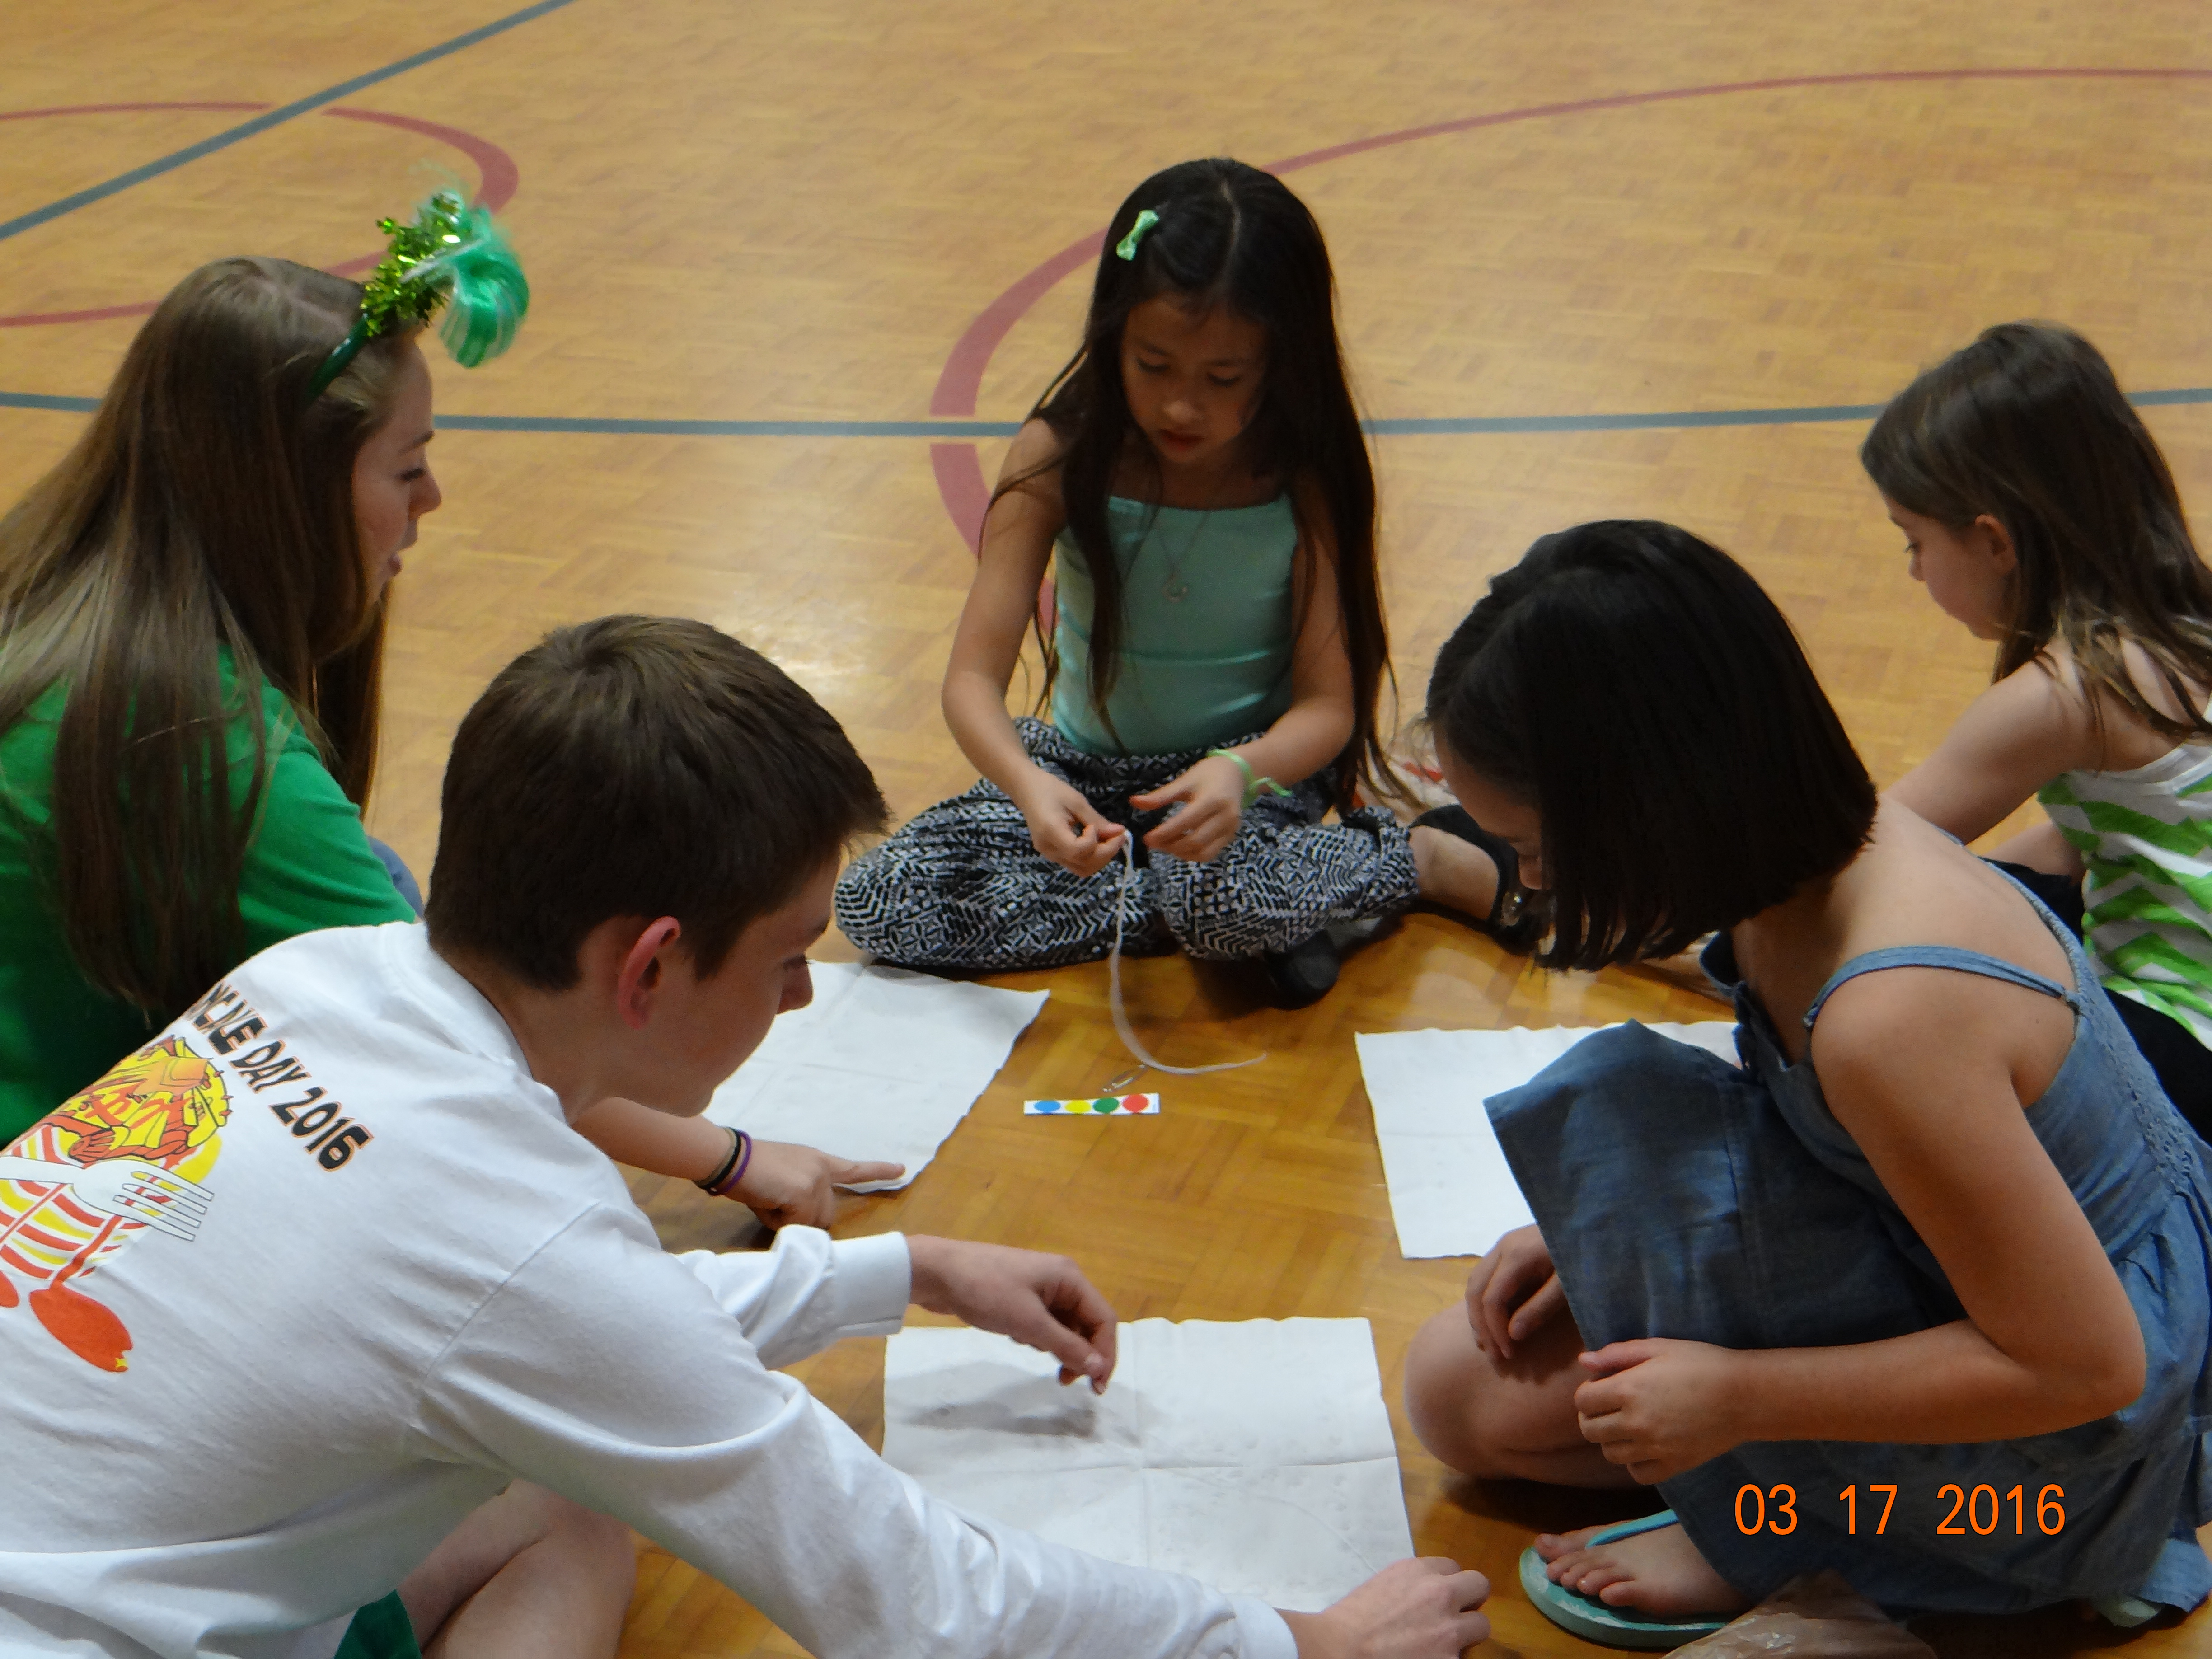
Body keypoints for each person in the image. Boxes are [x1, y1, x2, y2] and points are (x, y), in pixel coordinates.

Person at [0, 614, 1492, 1659]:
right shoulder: (513, 1240)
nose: (797, 996)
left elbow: (544, 1321)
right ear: (649, 966)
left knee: (560, 1503)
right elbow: (918, 1604)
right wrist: (1302, 1641)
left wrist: (901, 1272)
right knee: (573, 1506)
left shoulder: (319, 978)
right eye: (785, 958)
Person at [1399, 522, 2211, 1637]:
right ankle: (1779, 1496)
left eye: (1536, 849)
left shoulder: (1890, 1014)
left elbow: (2089, 1367)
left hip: (2076, 1467)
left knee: (1503, 1380)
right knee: (1460, 1391)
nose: (1533, 884)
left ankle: (1784, 1530)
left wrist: (1740, 1399)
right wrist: (1594, 1232)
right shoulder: (1806, 861)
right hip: (1974, 1286)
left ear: (1655, 804)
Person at [0, 239, 888, 1227]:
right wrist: (729, 1156)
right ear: (287, 494)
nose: (432, 498)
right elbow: (453, 1038)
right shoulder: (209, 744)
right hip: (53, 1196)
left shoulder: (49, 588)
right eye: (409, 467)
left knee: (386, 879)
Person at [834, 159, 1532, 1008]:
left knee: (1215, 897)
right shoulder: (1057, 455)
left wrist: (1239, 771)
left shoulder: (1303, 477)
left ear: (1283, 362)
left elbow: (1327, 708)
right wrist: (1029, 787)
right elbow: (971, 681)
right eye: (1153, 365)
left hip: (1247, 776)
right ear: (1112, 337)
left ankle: (1417, 859)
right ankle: (1258, 908)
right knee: (879, 900)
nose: (1180, 407)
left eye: (1223, 378)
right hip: (1081, 771)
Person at [1866, 321, 2212, 1144]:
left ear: (1995, 542)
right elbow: (2092, 836)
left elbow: (1862, 860)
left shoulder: (2067, 692)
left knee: (1898, 1009)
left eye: (1916, 542)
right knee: (1982, 899)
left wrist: (1723, 940)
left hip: (2187, 1050)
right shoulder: (2185, 618)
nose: (1913, 570)